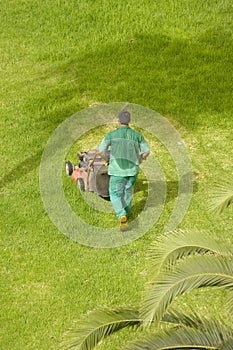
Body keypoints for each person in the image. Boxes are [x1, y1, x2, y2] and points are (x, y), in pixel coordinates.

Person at [97, 110, 150, 231]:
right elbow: (147, 151)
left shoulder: (111, 135)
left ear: (118, 120)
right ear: (129, 121)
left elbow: (100, 151)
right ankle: (127, 213)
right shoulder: (137, 135)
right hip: (132, 171)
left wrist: (108, 159)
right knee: (128, 192)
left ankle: (121, 215)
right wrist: (140, 160)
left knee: (115, 194)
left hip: (116, 171)